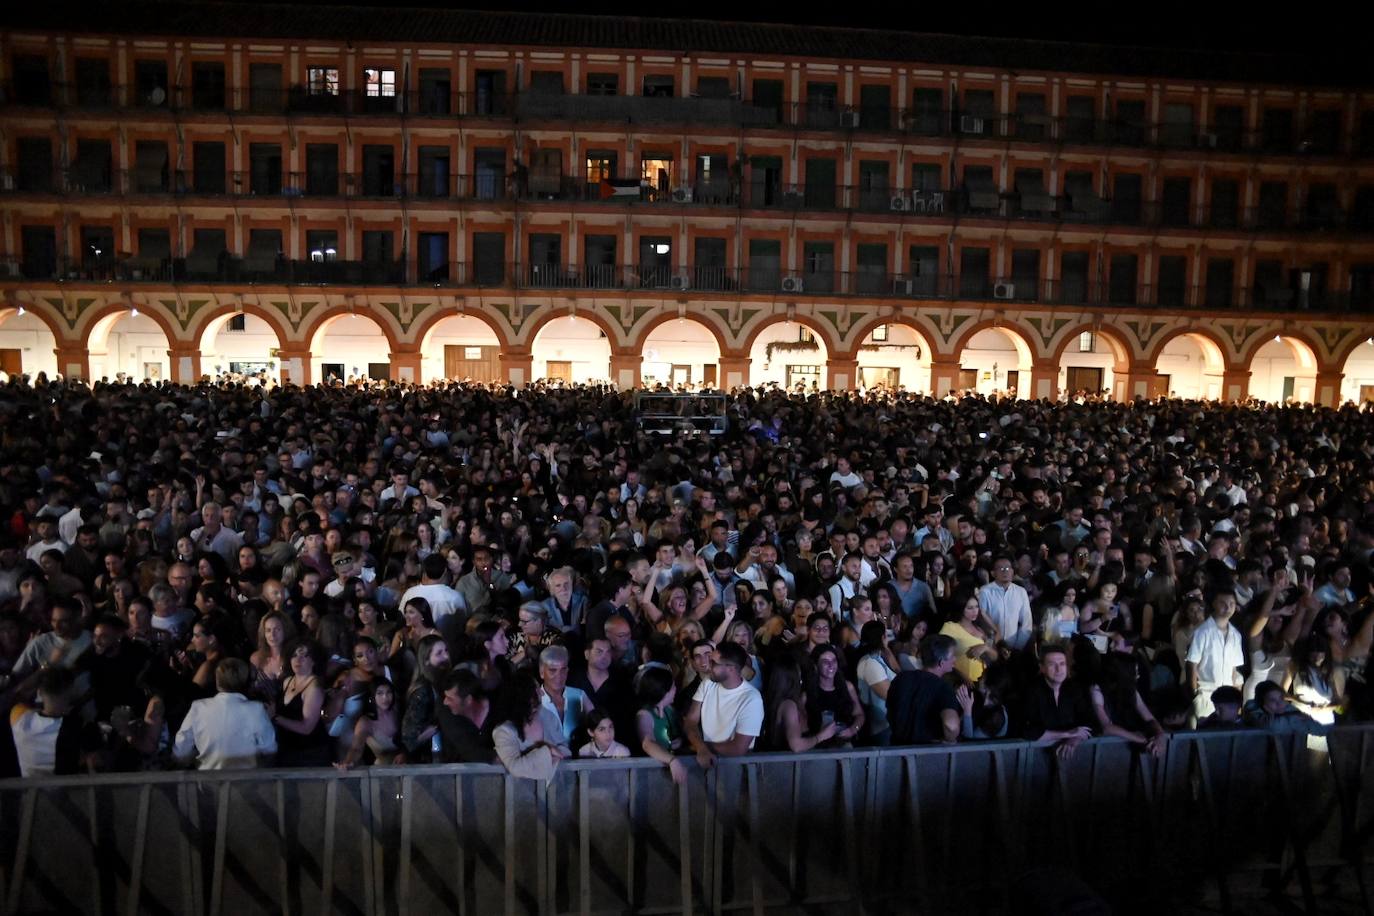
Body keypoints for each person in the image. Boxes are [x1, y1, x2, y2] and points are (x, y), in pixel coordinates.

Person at [172, 658, 277, 769]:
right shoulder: (256, 709)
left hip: (208, 781)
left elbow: (181, 750)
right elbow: (269, 747)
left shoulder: (198, 707)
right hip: (246, 782)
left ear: (217, 681)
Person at [685, 642, 765, 767]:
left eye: (713, 663)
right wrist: (701, 747)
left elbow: (738, 748)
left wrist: (703, 748)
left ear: (731, 668)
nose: (708, 665)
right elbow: (690, 720)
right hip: (707, 759)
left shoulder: (751, 699)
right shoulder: (708, 683)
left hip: (735, 766)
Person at [9, 666, 87, 777]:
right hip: (61, 792)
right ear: (70, 692)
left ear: (39, 692)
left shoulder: (18, 717)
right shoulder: (75, 727)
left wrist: (42, 670)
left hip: (28, 791)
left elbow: (19, 692)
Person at [1022, 645, 1095, 760]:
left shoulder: (1075, 689)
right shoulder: (1031, 691)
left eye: (1062, 664)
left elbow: (1090, 723)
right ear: (1042, 668)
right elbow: (1027, 731)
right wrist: (1068, 734)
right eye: (1052, 664)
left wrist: (1075, 739)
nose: (1058, 669)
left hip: (1071, 757)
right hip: (1035, 757)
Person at [493, 672, 569, 780]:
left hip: (556, 791)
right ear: (524, 696)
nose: (542, 693)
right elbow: (515, 767)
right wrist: (547, 750)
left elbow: (564, 750)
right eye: (537, 690)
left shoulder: (548, 717)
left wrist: (556, 753)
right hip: (521, 793)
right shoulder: (504, 731)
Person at [886, 634, 961, 744]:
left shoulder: (901, 678)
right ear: (941, 662)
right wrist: (950, 740)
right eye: (953, 656)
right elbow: (951, 725)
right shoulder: (943, 688)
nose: (955, 659)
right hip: (926, 754)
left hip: (896, 748)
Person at [1186, 590, 1246, 722]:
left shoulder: (1236, 634)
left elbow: (1234, 669)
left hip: (1228, 695)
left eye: (1231, 603)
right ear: (1213, 604)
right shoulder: (1202, 631)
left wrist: (1236, 697)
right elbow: (1192, 663)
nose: (1228, 607)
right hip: (1206, 693)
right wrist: (1194, 692)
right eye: (1223, 603)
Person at [635, 665, 687, 783]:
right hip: (651, 776)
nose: (675, 690)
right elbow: (647, 744)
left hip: (673, 775)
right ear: (663, 691)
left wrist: (680, 742)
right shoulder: (644, 715)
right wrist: (672, 760)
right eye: (673, 687)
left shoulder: (671, 710)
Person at [335, 678, 403, 768]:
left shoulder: (397, 709)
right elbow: (356, 748)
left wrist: (404, 753)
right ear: (372, 696)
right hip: (384, 769)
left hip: (409, 763)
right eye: (380, 693)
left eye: (388, 692)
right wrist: (347, 762)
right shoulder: (366, 722)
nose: (385, 697)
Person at [437, 669, 497, 764]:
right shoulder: (446, 712)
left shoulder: (497, 710)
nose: (445, 702)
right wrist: (505, 760)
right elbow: (468, 749)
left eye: (450, 699)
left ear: (468, 700)